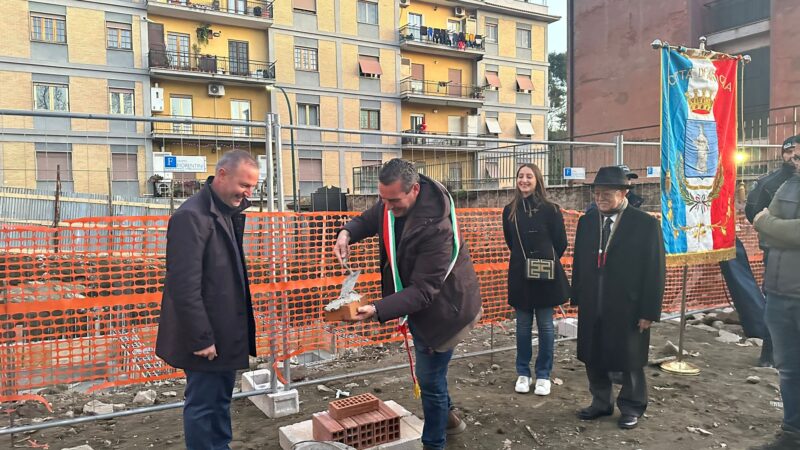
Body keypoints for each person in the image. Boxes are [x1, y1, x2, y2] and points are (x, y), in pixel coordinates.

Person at [333, 159, 482, 450]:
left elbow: (424, 292)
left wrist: (377, 309)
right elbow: (371, 217)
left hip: (445, 312)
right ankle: (450, 419)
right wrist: (346, 233)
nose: (387, 208)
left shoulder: (437, 228)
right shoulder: (393, 201)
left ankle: (434, 443)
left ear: (414, 189)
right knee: (434, 373)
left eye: (394, 202)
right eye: (383, 199)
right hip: (420, 304)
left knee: (430, 380)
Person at [155, 150, 260, 450]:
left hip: (224, 332)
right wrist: (201, 339)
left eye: (252, 187)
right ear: (222, 175)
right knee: (203, 405)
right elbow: (183, 286)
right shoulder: (191, 216)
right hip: (206, 339)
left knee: (219, 402)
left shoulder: (225, 211)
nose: (248, 193)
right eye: (244, 185)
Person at [571, 166, 665, 430]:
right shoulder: (586, 222)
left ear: (624, 193)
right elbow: (579, 260)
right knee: (593, 354)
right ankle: (601, 402)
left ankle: (632, 406)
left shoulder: (645, 224)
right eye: (596, 193)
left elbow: (655, 270)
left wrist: (649, 311)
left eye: (607, 193)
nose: (600, 198)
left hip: (628, 305)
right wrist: (576, 295)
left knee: (629, 358)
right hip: (593, 302)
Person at [502, 164, 569, 396]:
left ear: (537, 180)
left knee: (545, 326)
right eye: (520, 176)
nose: (524, 180)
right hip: (521, 276)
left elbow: (560, 243)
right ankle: (523, 372)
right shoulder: (509, 210)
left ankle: (543, 375)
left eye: (529, 176)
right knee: (521, 326)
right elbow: (511, 242)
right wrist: (526, 261)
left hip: (545, 276)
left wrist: (543, 263)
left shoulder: (551, 209)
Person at [751, 154, 800, 450]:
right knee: (790, 369)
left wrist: (771, 225)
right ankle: (793, 434)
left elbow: (766, 222)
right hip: (779, 293)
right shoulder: (788, 185)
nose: (796, 157)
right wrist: (774, 227)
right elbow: (758, 219)